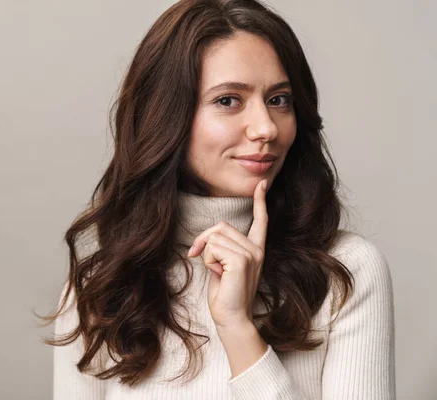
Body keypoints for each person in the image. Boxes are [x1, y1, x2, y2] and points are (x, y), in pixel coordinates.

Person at [37, 0, 395, 398]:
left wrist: (237, 327)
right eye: (228, 100)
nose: (265, 128)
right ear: (166, 116)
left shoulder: (347, 271)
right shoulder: (101, 284)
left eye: (279, 100)